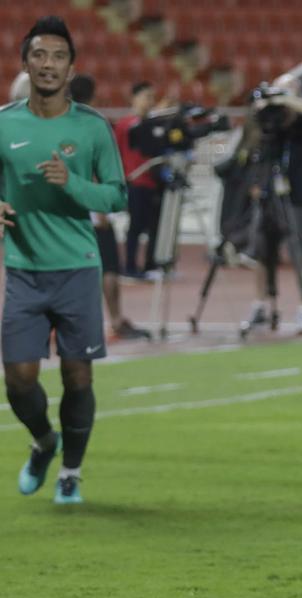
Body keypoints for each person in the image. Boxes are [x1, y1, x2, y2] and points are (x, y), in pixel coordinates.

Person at [1, 17, 127, 504]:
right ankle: (43, 440)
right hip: (23, 270)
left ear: (71, 69)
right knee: (18, 378)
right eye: (39, 55)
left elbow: (116, 196)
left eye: (57, 56)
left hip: (76, 267)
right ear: (26, 63)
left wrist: (71, 184)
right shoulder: (4, 123)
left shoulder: (92, 128)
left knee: (78, 375)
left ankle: (70, 472)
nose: (48, 64)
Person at [68, 73, 150, 341]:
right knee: (107, 269)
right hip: (92, 208)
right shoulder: (92, 125)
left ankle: (70, 323)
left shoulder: (58, 123)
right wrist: (100, 211)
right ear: (93, 96)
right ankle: (112, 321)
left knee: (72, 269)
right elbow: (93, 170)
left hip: (68, 208)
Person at [248, 73, 302, 334]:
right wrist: (266, 104)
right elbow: (252, 126)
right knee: (262, 252)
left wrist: (288, 100)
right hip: (269, 194)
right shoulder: (270, 124)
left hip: (298, 196)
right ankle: (260, 305)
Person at [113, 80, 160, 279]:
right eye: (146, 97)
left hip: (153, 181)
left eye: (152, 98)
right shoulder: (126, 125)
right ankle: (130, 266)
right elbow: (115, 153)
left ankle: (150, 265)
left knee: (154, 226)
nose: (150, 102)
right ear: (134, 98)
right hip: (135, 181)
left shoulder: (154, 124)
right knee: (135, 226)